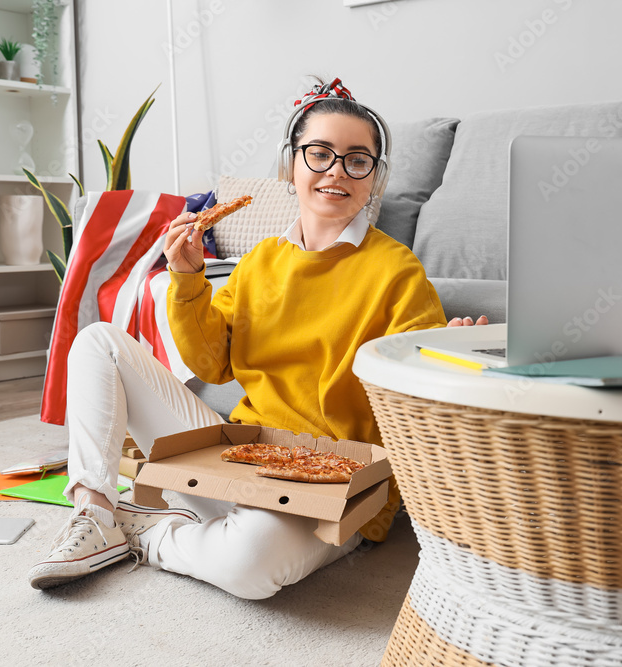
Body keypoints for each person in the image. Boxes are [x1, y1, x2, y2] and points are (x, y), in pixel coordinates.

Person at [27, 77, 486, 598]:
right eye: (320, 154)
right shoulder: (260, 261)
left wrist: (445, 356)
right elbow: (212, 363)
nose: (337, 171)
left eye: (357, 160)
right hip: (240, 454)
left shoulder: (398, 273)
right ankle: (96, 511)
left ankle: (148, 532)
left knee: (250, 567)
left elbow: (413, 388)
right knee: (97, 341)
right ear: (290, 164)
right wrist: (186, 278)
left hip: (337, 484)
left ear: (373, 179)